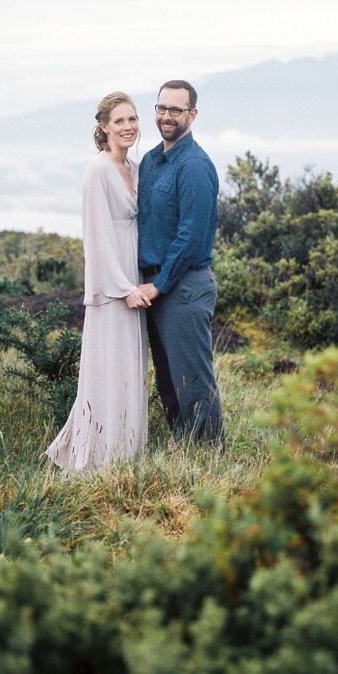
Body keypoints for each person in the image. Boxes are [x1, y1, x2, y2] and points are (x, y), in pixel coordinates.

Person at [46, 93, 152, 472]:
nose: (128, 127)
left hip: (134, 277)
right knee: (109, 367)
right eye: (120, 120)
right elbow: (98, 236)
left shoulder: (136, 168)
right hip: (113, 286)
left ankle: (127, 450)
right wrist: (124, 288)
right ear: (104, 126)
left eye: (133, 119)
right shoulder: (98, 170)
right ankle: (99, 454)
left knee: (131, 368)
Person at [135, 80, 224, 445]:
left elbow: (190, 235)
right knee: (168, 379)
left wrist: (159, 284)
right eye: (161, 108)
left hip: (184, 286)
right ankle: (183, 450)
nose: (167, 116)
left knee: (192, 380)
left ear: (192, 115)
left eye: (175, 110)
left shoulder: (195, 166)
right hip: (155, 286)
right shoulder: (151, 161)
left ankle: (207, 456)